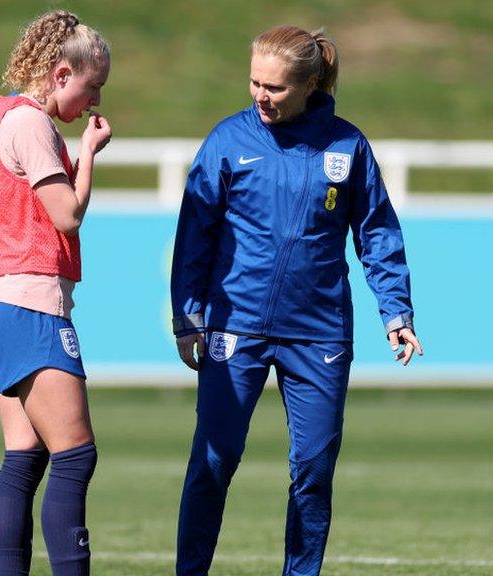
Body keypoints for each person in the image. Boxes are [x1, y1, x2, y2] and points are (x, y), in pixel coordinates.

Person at [170, 25, 422, 576]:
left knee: (313, 468)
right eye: (255, 83)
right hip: (234, 325)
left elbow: (376, 231)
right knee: (213, 462)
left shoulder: (347, 145)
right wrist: (188, 315)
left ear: (311, 84)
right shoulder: (228, 141)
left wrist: (395, 310)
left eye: (276, 88)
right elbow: (195, 234)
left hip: (319, 332)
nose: (261, 96)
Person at [0, 10, 111, 576]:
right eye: (91, 85)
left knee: (25, 458)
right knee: (75, 456)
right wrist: (91, 156)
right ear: (59, 74)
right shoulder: (29, 123)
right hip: (29, 304)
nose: (95, 99)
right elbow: (66, 214)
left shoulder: (0, 112)